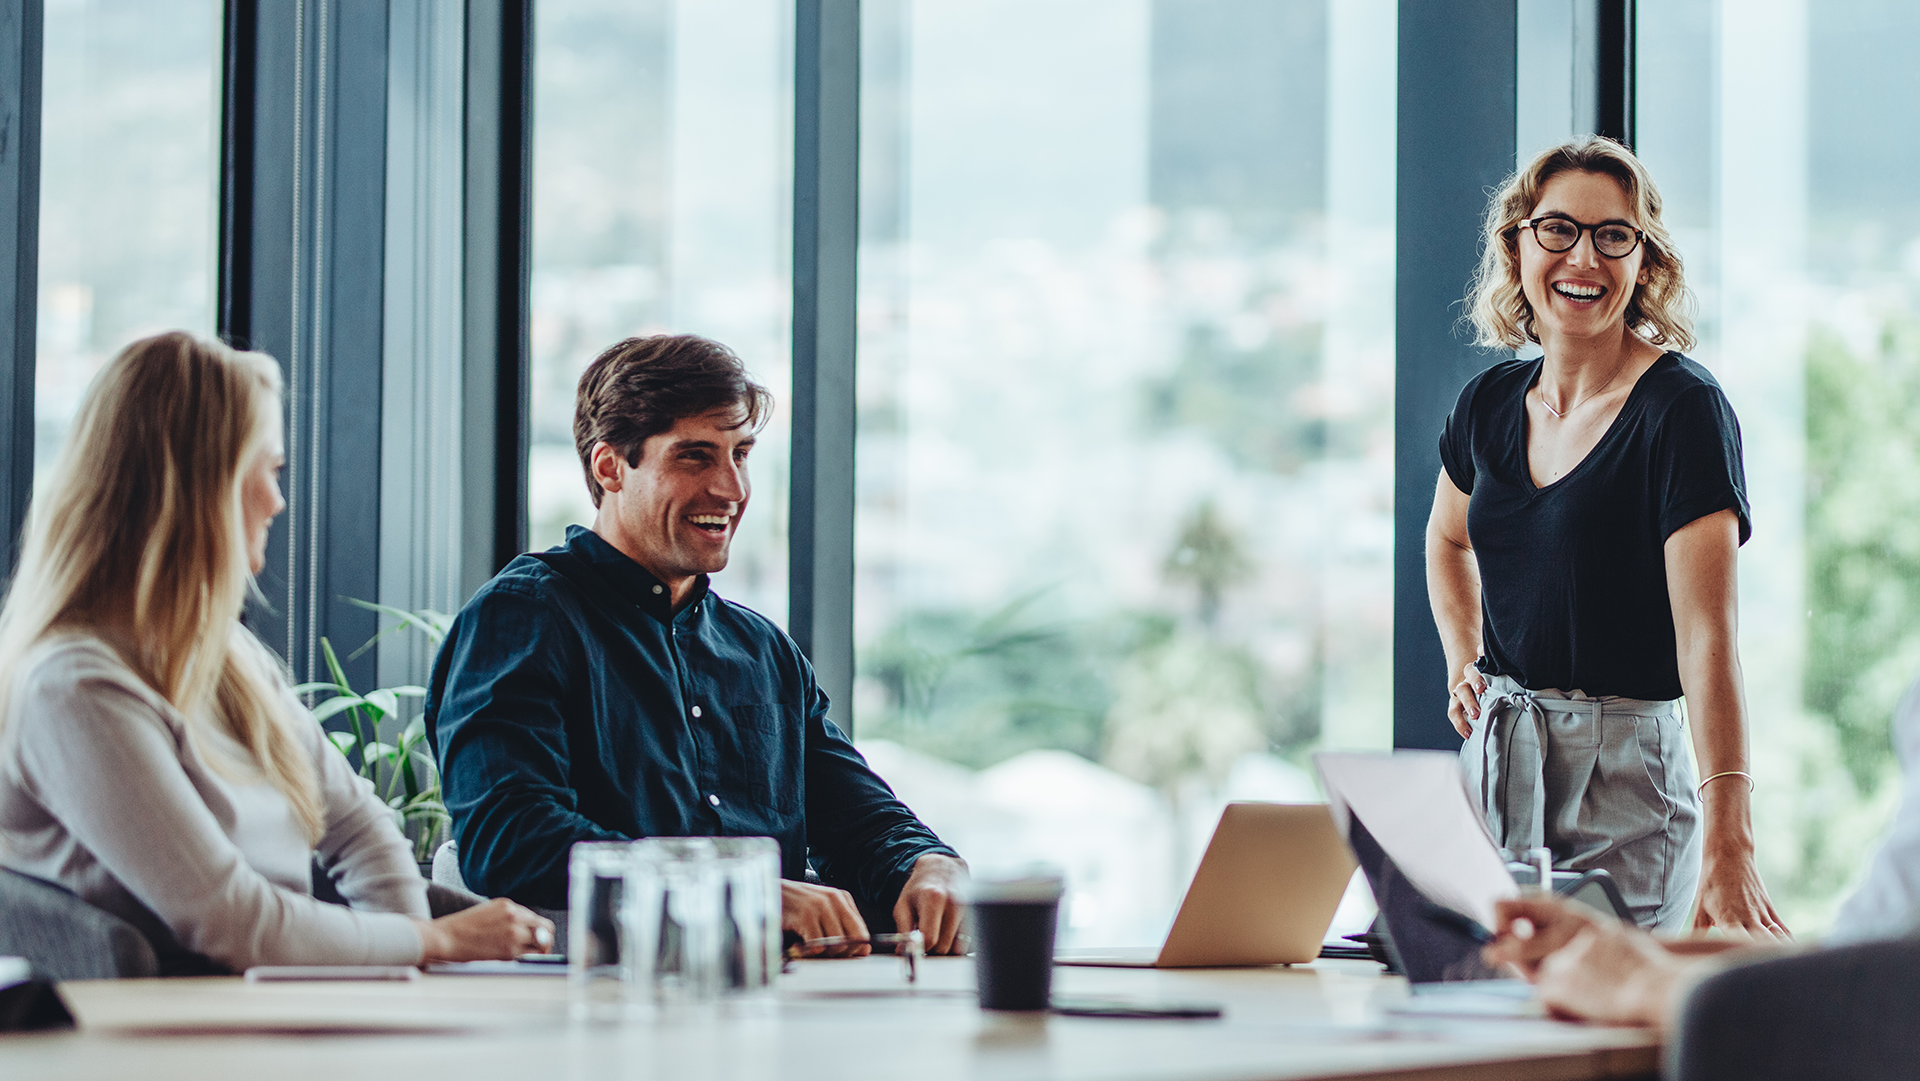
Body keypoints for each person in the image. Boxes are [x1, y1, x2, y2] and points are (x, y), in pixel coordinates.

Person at [0, 332, 552, 973]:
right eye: (270, 470)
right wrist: (433, 941)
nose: (278, 500)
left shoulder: (224, 654)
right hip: (164, 1037)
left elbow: (357, 825)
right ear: (202, 487)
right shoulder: (75, 689)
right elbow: (231, 920)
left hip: (269, 1005)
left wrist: (405, 968)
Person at [427, 333, 968, 955]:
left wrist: (928, 862)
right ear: (610, 467)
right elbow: (511, 840)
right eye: (695, 457)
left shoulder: (762, 649)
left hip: (780, 1002)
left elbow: (858, 819)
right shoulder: (522, 618)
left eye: (741, 455)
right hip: (596, 1008)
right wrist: (737, 890)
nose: (732, 489)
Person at [1427, 136, 1782, 935]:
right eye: (1558, 229)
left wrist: (1732, 839)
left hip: (1625, 780)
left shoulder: (1682, 411)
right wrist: (1462, 659)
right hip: (1496, 762)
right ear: (1517, 245)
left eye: (1612, 235)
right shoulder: (1486, 405)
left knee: (1604, 1039)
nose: (1582, 256)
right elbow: (1447, 541)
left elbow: (1708, 639)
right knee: (1487, 1026)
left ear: (1644, 260)